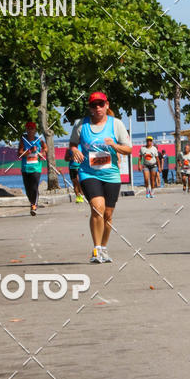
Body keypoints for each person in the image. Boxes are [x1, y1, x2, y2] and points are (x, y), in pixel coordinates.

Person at [69, 92, 132, 263]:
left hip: (111, 174)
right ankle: (96, 249)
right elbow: (73, 144)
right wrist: (74, 150)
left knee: (108, 214)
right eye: (93, 105)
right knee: (98, 208)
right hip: (88, 173)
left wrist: (115, 145)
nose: (97, 108)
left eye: (100, 104)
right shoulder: (81, 125)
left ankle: (104, 247)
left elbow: (129, 149)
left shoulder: (116, 124)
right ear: (89, 108)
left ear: (107, 105)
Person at [17, 121, 47, 215]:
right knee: (28, 189)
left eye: (32, 128)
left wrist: (42, 153)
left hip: (36, 168)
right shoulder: (23, 140)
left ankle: (34, 205)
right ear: (26, 129)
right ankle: (32, 201)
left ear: (35, 130)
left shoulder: (39, 140)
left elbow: (45, 148)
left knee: (34, 187)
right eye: (28, 128)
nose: (30, 130)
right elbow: (19, 153)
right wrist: (30, 151)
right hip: (25, 168)